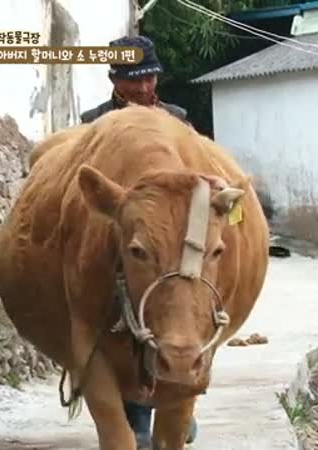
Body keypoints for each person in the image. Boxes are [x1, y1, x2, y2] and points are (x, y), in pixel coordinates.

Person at [79, 34, 198, 449]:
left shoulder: (178, 120)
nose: (144, 88)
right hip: (120, 246)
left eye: (150, 78)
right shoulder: (94, 124)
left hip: (173, 250)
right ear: (114, 79)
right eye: (134, 80)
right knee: (125, 329)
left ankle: (176, 406)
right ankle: (136, 419)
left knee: (177, 324)